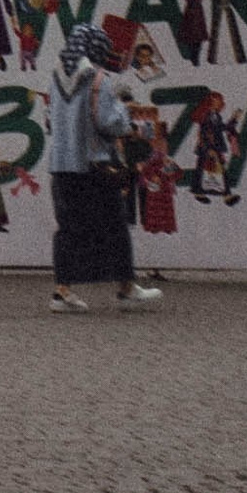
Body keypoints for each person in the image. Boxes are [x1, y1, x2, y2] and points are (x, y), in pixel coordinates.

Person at [47, 19, 162, 311]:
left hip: (61, 165)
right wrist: (125, 112)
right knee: (115, 223)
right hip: (93, 165)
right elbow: (109, 122)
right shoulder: (99, 79)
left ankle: (62, 292)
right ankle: (126, 287)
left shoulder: (56, 77)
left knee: (68, 228)